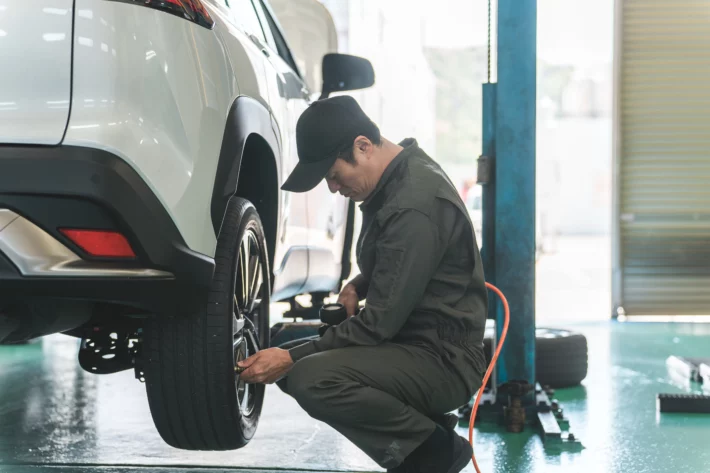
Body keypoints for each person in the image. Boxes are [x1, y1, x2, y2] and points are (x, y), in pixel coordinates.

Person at [237, 95, 488, 473]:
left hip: (442, 361)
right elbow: (405, 264)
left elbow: (377, 325)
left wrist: (289, 360)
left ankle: (431, 453)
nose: (333, 188)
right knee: (286, 344)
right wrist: (358, 285)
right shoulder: (395, 179)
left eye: (334, 175)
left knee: (309, 376)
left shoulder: (412, 205)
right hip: (412, 342)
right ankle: (425, 427)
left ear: (363, 146)